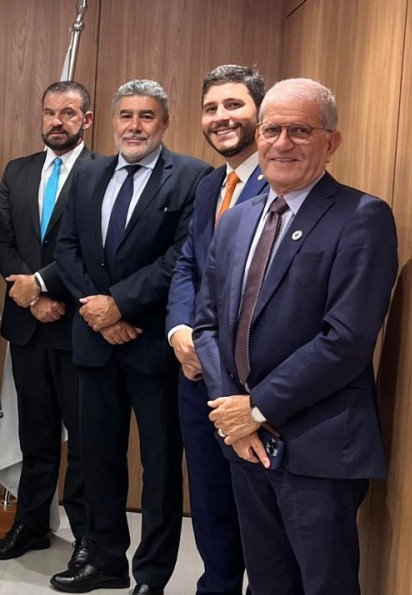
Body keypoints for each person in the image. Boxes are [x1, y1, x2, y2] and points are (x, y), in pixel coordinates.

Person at [194, 78, 398, 595]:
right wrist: (232, 413)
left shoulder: (362, 217)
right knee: (267, 583)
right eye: (272, 130)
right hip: (244, 444)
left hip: (317, 448)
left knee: (324, 585)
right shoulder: (236, 221)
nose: (282, 143)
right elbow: (208, 324)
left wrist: (256, 408)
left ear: (332, 142)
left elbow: (346, 340)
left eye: (300, 131)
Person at [52, 79, 211, 594]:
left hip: (153, 345)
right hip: (95, 341)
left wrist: (119, 304)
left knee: (160, 466)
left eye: (146, 116)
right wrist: (100, 311)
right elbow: (67, 248)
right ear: (112, 120)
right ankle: (105, 560)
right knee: (97, 458)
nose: (135, 126)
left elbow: (181, 257)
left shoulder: (193, 177)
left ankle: (152, 575)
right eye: (126, 115)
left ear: (164, 122)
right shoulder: (88, 174)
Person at [0, 80, 101, 566]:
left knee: (84, 442)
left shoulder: (104, 172)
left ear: (86, 120)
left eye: (69, 113)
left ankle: (87, 537)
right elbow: (2, 239)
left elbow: (96, 247)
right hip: (29, 327)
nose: (57, 121)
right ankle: (31, 525)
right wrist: (30, 295)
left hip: (77, 327)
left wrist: (42, 285)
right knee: (35, 435)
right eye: (50, 112)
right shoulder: (17, 170)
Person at [165, 65, 267, 595]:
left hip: (249, 382)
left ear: (260, 112)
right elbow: (189, 264)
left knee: (258, 514)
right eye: (211, 108)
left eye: (234, 105)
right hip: (195, 374)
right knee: (208, 502)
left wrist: (208, 346)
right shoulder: (210, 185)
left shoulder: (281, 182)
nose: (221, 117)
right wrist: (179, 330)